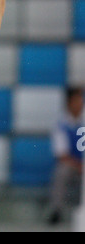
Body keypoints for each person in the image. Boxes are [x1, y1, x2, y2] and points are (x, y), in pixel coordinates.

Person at [48, 87, 84, 225]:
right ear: (69, 103)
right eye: (77, 100)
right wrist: (80, 166)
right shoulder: (60, 124)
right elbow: (61, 154)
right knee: (61, 171)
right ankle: (56, 211)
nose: (80, 103)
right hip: (73, 166)